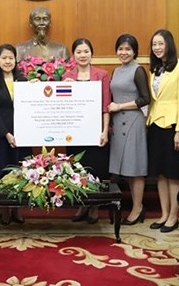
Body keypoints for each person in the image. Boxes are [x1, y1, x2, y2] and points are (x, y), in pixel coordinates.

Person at [0, 44, 32, 225]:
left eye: (11, 58)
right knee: (1, 174)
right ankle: (4, 211)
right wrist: (7, 134)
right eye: (4, 58)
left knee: (20, 173)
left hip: (22, 135)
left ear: (16, 60)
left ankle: (16, 210)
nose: (8, 61)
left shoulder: (23, 81)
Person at [145, 29, 179, 233]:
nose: (157, 47)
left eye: (160, 43)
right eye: (154, 44)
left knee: (173, 174)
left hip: (172, 126)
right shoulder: (155, 69)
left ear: (169, 44)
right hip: (154, 124)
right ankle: (163, 214)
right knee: (160, 174)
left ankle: (174, 215)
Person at [62, 38, 111, 224]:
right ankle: (82, 204)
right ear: (74, 55)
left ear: (92, 53)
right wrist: (63, 87)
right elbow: (62, 107)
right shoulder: (67, 75)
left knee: (95, 169)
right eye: (79, 52)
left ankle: (95, 206)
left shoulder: (102, 74)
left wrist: (105, 131)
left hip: (95, 131)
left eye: (86, 51)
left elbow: (105, 106)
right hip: (74, 133)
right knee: (77, 169)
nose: (83, 55)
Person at [107, 34, 150, 226]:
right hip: (118, 123)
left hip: (133, 123)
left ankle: (137, 208)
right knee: (127, 170)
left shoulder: (138, 70)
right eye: (120, 49)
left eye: (128, 49)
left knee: (136, 169)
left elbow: (145, 99)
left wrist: (120, 106)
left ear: (134, 52)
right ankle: (136, 206)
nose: (123, 53)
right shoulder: (116, 71)